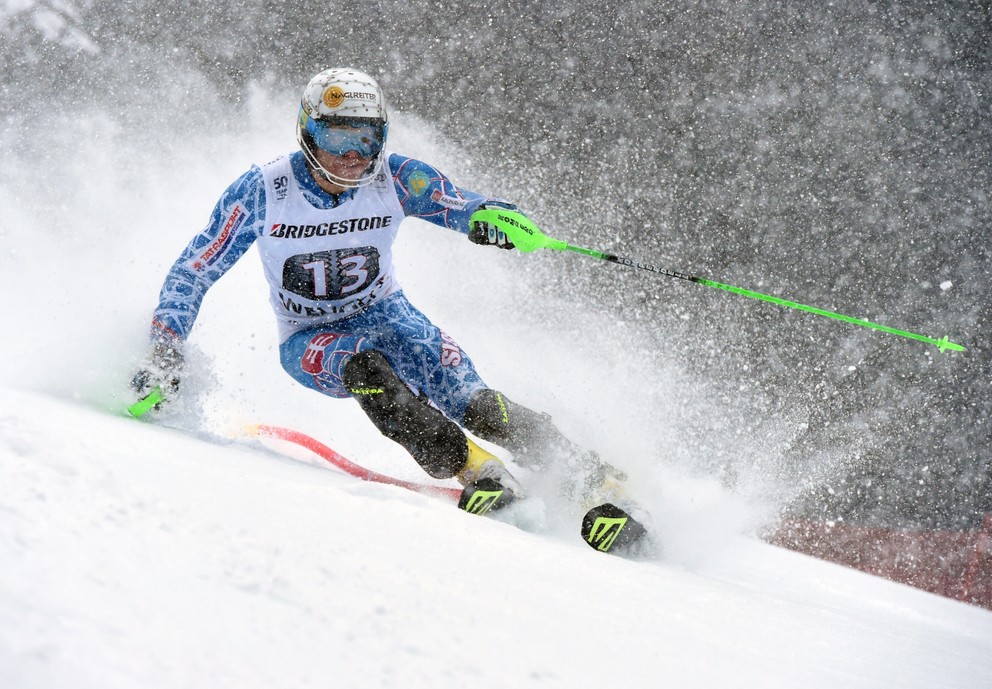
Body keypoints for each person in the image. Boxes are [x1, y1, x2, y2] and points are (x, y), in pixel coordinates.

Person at [131, 68, 635, 541]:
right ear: (308, 133)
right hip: (311, 336)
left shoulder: (394, 178)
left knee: (478, 405)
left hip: (391, 317)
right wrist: (165, 346)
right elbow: (196, 268)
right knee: (369, 372)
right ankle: (478, 469)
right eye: (338, 138)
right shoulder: (264, 190)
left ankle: (596, 478)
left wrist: (498, 220)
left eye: (367, 139)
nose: (354, 155)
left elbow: (462, 204)